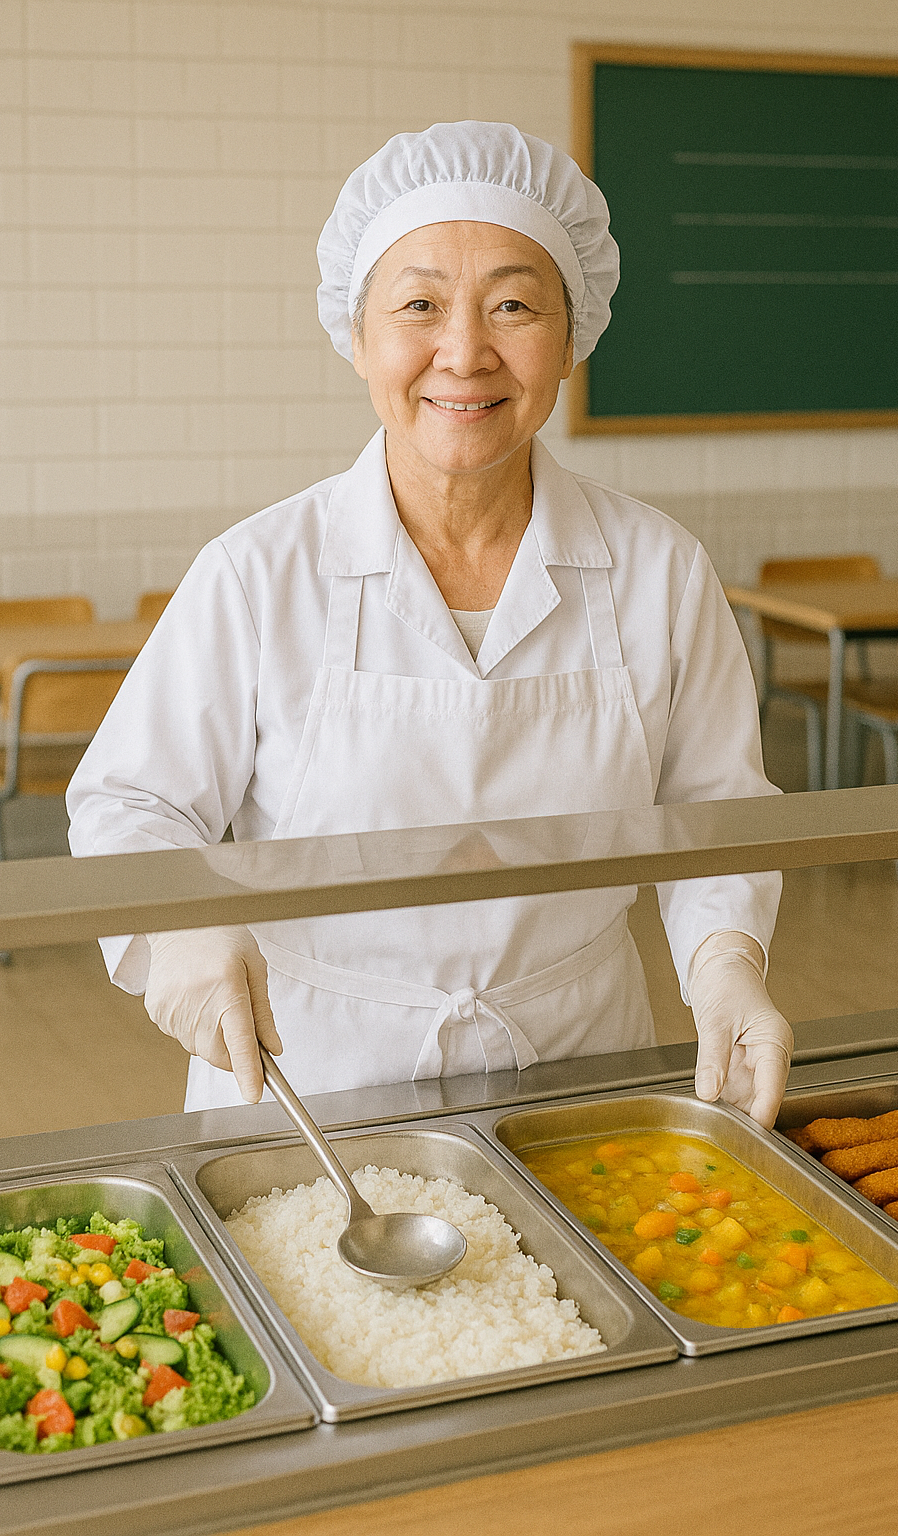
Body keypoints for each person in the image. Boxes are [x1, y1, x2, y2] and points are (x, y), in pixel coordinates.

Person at [67, 122, 792, 1127]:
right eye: (418, 305)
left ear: (571, 335)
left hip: (580, 1067)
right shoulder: (258, 572)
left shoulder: (657, 568)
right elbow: (130, 801)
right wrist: (182, 927)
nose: (464, 352)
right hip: (314, 1077)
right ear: (357, 335)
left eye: (512, 305)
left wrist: (723, 964)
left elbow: (715, 808)